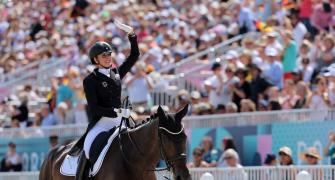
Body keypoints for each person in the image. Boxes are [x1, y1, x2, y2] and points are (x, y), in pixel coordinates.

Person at [69, 20, 140, 180]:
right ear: (96, 59)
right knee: (87, 149)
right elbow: (94, 108)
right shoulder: (90, 80)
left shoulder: (116, 74)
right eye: (104, 55)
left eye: (109, 54)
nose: (108, 57)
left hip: (120, 121)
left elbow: (134, 56)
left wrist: (132, 35)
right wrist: (116, 111)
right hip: (101, 122)